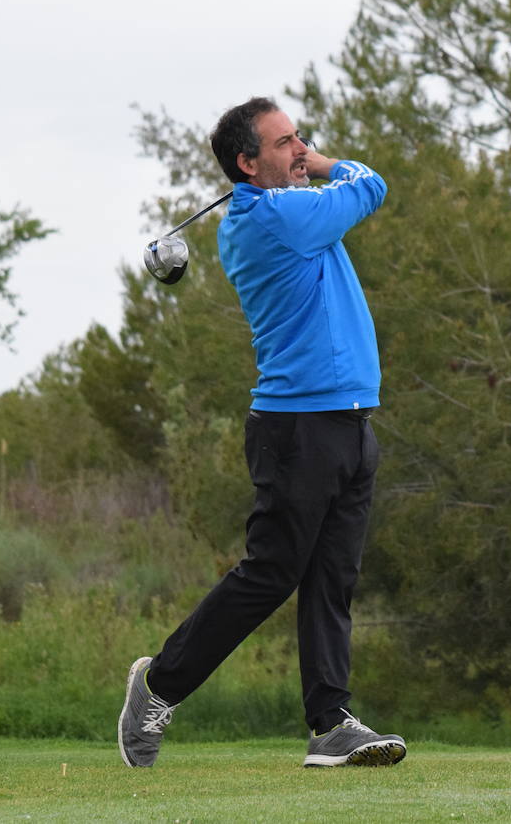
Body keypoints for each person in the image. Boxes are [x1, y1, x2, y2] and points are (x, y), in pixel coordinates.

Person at [118, 97, 405, 769]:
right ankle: (159, 684)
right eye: (284, 144)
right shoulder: (275, 217)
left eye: (300, 138)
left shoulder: (289, 210)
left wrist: (310, 163)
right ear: (247, 164)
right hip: (297, 427)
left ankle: (331, 724)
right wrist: (332, 163)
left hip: (348, 419)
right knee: (271, 574)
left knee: (332, 578)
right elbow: (370, 185)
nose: (300, 151)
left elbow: (353, 192)